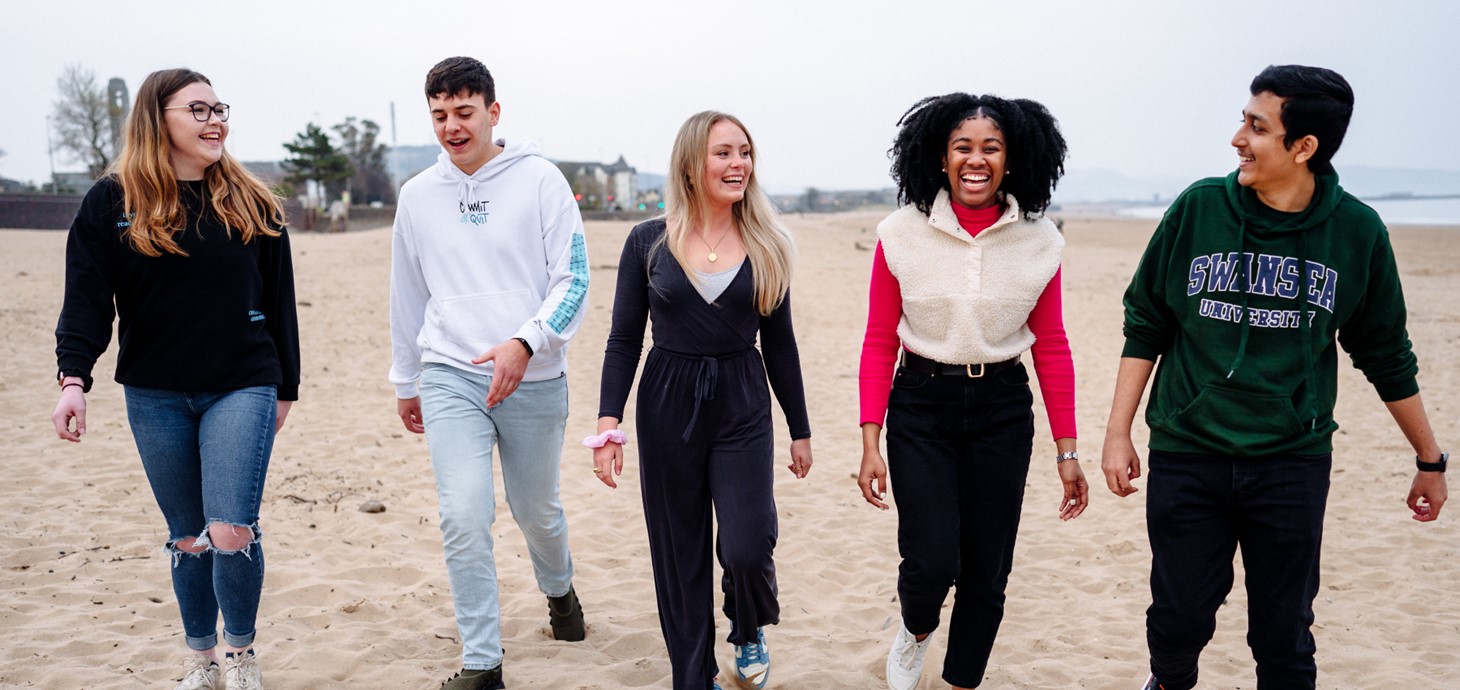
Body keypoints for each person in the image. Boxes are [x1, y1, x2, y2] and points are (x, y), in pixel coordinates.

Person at [1101, 64, 1449, 690]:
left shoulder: (1357, 232)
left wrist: (1430, 458)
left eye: (1257, 126)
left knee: (1284, 634)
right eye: (1243, 120)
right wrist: (1118, 432)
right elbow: (1146, 322)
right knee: (1178, 622)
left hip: (1291, 461)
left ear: (1303, 147)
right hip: (1189, 451)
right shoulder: (1199, 208)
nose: (1238, 138)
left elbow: (1385, 351)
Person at [51, 68, 299, 690]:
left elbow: (281, 302)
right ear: (157, 119)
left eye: (220, 108)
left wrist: (285, 387)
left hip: (241, 384)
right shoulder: (112, 202)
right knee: (188, 538)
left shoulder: (252, 200)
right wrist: (72, 380)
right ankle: (202, 661)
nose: (216, 120)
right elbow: (87, 299)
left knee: (230, 529)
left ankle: (241, 657)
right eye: (198, 109)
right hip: (154, 392)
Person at [856, 93, 1089, 690]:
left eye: (991, 147)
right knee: (932, 560)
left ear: (1011, 159)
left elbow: (1053, 344)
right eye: (963, 147)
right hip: (921, 404)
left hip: (1003, 409)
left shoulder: (1042, 241)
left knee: (988, 570)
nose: (976, 159)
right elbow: (880, 339)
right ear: (941, 156)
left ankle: (962, 681)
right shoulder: (898, 233)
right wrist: (869, 439)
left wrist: (1067, 451)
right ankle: (914, 630)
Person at [592, 111, 813, 690]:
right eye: (724, 153)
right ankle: (693, 677)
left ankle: (747, 625)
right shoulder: (648, 240)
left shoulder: (769, 242)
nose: (738, 163)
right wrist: (608, 423)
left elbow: (781, 344)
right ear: (693, 164)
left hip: (743, 400)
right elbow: (622, 340)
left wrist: (800, 427)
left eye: (745, 152)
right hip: (667, 404)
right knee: (679, 551)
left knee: (747, 542)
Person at [388, 57, 590, 690]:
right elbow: (408, 294)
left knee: (537, 512)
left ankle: (560, 593)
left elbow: (575, 281)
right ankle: (483, 663)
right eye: (440, 115)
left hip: (533, 375)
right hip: (450, 373)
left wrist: (525, 344)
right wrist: (406, 380)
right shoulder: (417, 196)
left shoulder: (541, 181)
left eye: (464, 112)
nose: (451, 127)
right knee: (463, 514)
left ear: (493, 112)